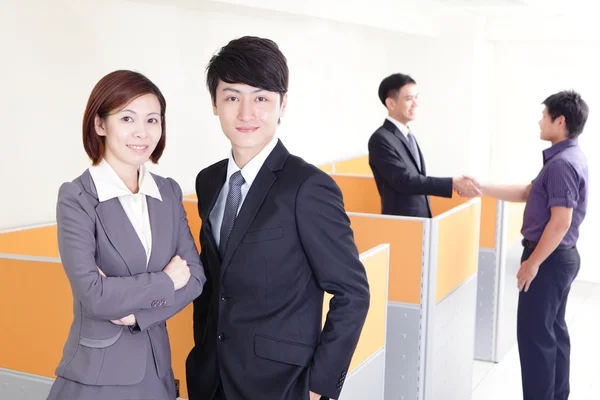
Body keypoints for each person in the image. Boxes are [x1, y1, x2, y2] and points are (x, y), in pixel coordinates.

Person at [185, 36, 370, 400]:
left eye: (261, 98)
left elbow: (352, 292)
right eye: (232, 97)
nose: (246, 113)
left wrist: (318, 387)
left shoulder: (308, 187)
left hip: (282, 385)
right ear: (214, 103)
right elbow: (214, 285)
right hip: (212, 379)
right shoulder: (208, 181)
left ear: (283, 104)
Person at [47, 70, 206, 400]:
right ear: (100, 125)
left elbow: (195, 279)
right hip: (97, 376)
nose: (142, 132)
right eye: (127, 118)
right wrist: (165, 281)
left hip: (157, 373)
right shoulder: (78, 197)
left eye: (152, 120)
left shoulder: (168, 192)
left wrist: (137, 314)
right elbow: (94, 295)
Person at [470, 90, 589, 400]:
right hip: (560, 257)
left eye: (544, 115)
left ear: (559, 121)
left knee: (535, 338)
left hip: (549, 259)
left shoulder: (562, 164)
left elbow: (560, 221)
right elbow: (528, 191)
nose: (540, 121)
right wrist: (481, 187)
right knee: (553, 332)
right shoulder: (566, 157)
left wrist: (533, 262)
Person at [368, 73, 480, 218]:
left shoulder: (407, 134)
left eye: (416, 97)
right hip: (402, 223)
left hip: (420, 220)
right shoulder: (381, 139)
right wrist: (452, 183)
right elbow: (404, 181)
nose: (416, 103)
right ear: (391, 104)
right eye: (409, 99)